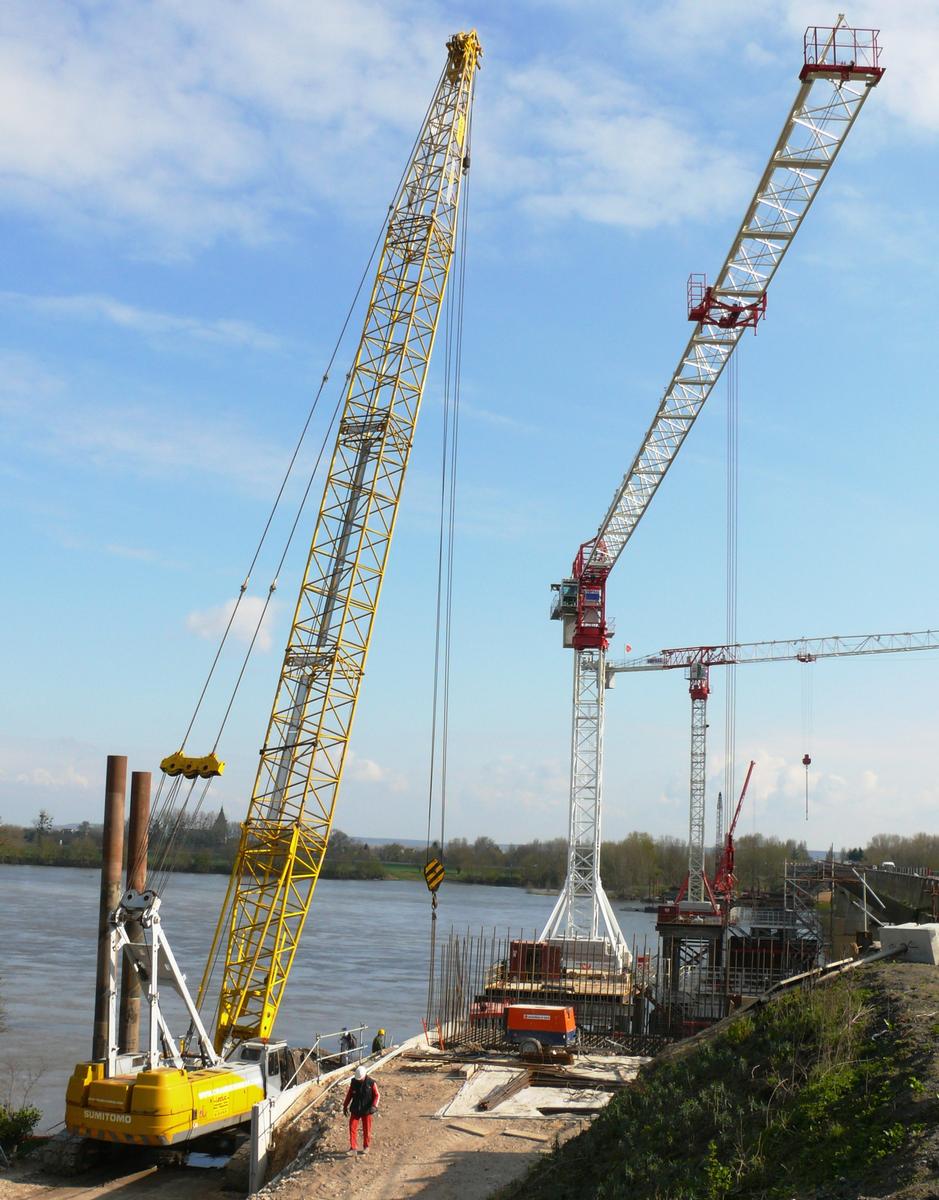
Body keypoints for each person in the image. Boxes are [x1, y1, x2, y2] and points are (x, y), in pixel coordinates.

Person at [343, 1064, 379, 1155]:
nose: (359, 1080)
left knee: (367, 1129)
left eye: (360, 1079)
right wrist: (345, 1105)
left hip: (367, 1110)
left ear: (364, 1075)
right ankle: (353, 1148)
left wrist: (374, 1106)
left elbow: (377, 1095)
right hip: (355, 1108)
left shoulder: (371, 1083)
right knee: (352, 1127)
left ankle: (366, 1146)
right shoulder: (354, 1082)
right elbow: (349, 1094)